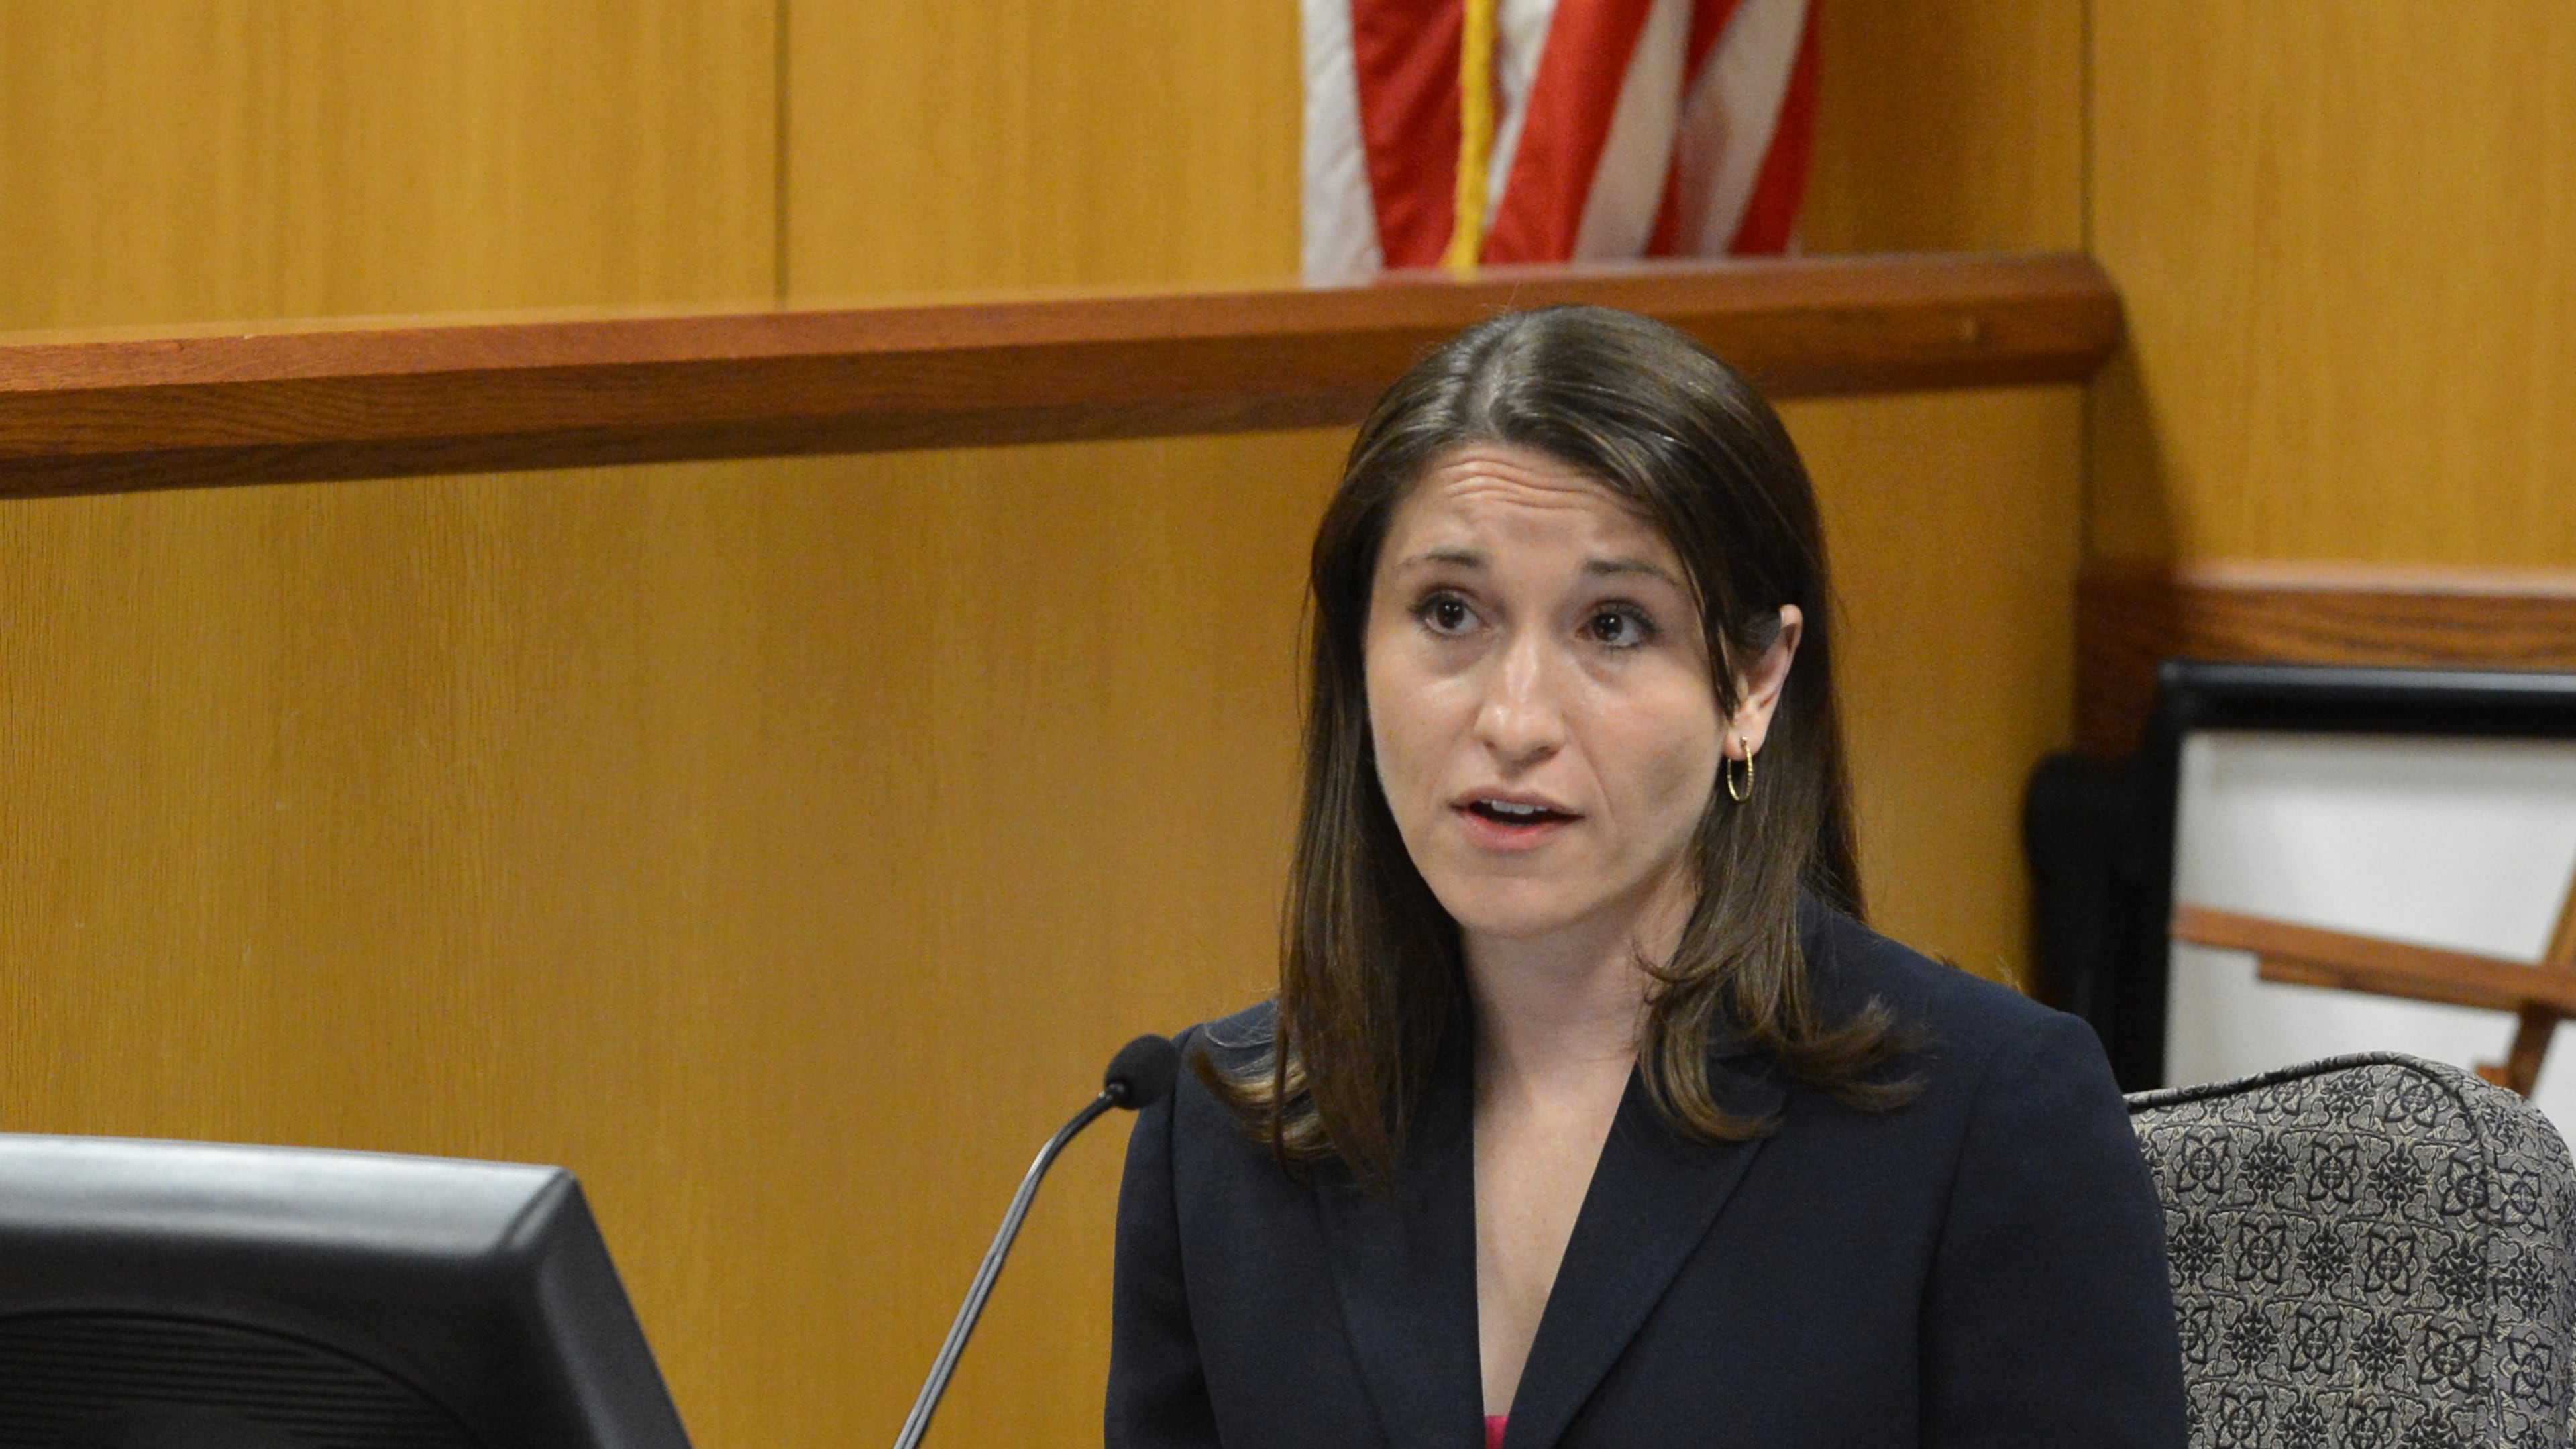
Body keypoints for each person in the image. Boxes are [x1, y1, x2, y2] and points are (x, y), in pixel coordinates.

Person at [1106, 306, 2185, 1449]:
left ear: (1754, 685)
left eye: (1613, 626)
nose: (1514, 720)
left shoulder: (1984, 1119)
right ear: (1355, 654)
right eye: (1449, 613)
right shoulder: (1218, 1134)